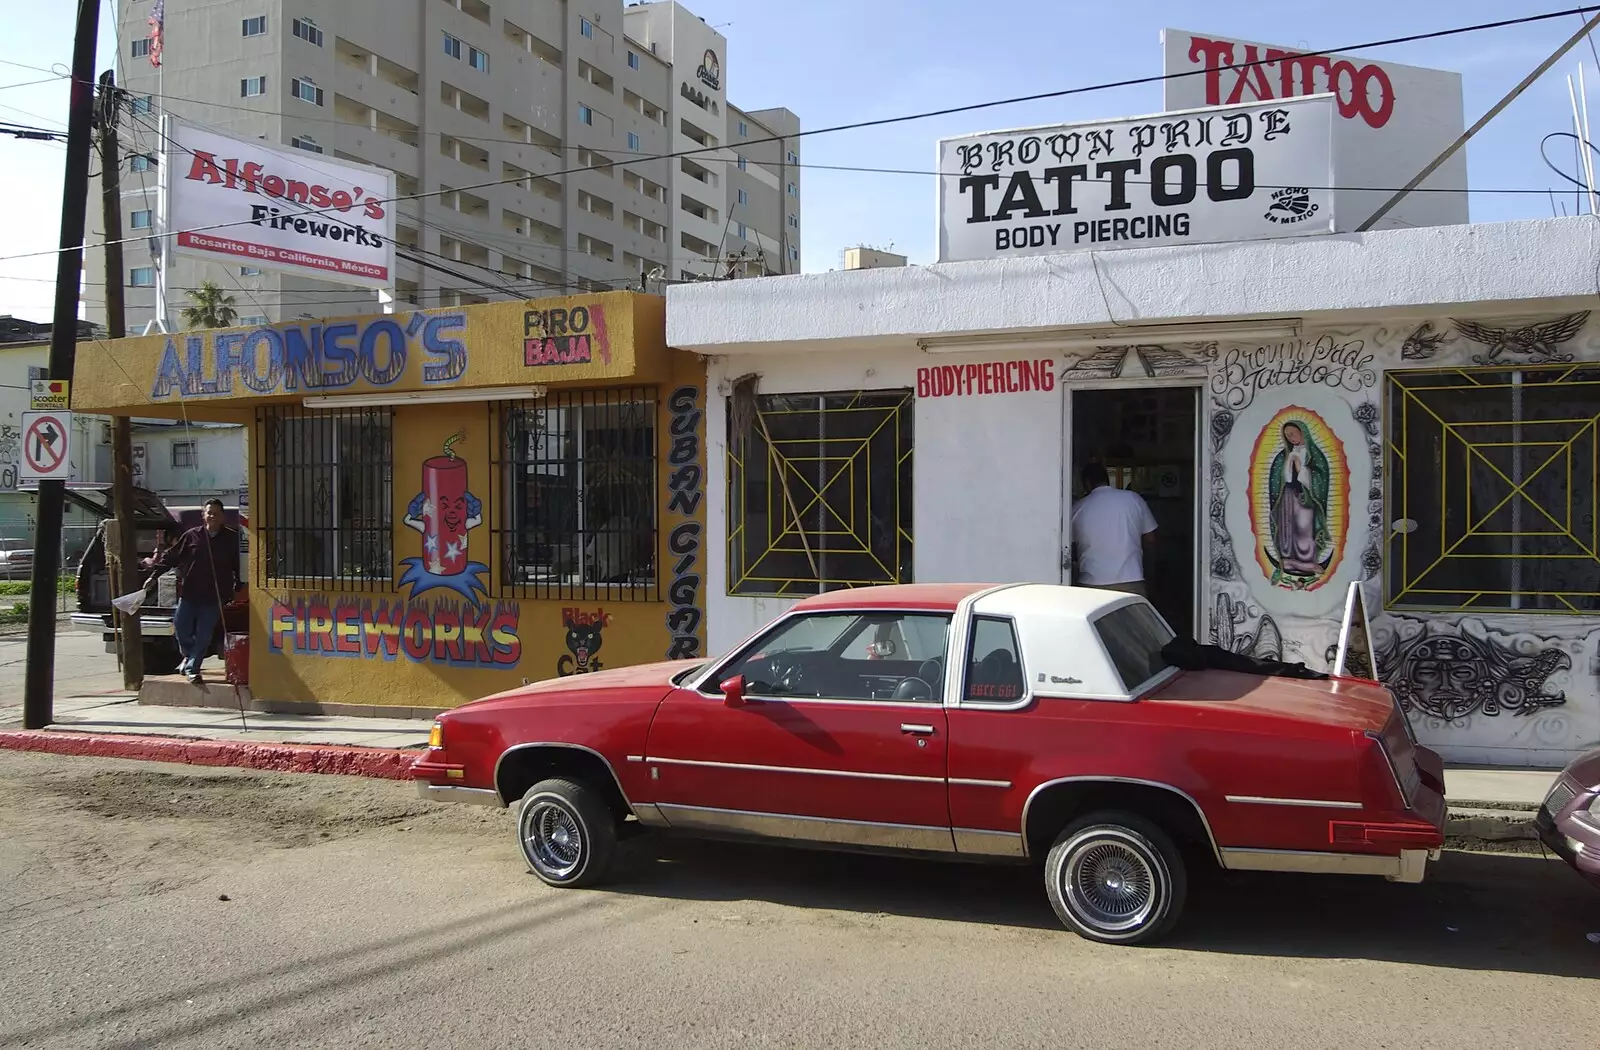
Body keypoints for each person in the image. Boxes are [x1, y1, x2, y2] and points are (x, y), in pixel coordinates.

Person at [143, 498, 241, 684]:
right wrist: (153, 576)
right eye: (209, 512)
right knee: (181, 629)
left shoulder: (231, 539)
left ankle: (193, 669)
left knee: (204, 635)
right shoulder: (191, 536)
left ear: (222, 517)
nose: (212, 516)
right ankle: (188, 655)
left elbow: (239, 566)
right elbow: (170, 557)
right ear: (203, 515)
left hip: (214, 596)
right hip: (190, 594)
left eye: (216, 513)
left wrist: (238, 586)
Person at [1070, 463, 1158, 596]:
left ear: (1087, 483)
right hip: (1131, 580)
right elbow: (1150, 538)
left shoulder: (1077, 507)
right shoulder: (1133, 499)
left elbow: (1068, 547)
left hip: (1091, 584)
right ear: (1107, 479)